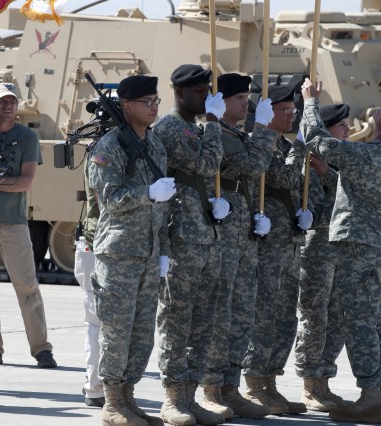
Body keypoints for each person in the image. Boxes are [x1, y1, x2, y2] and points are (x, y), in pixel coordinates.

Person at [301, 78, 381, 423]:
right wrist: (332, 175)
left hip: (360, 250)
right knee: (380, 321)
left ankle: (369, 396)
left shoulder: (366, 155)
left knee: (359, 322)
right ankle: (380, 396)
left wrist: (311, 102)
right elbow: (366, 189)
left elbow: (317, 140)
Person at [88, 75, 174, 426]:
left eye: (156, 100)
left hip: (149, 253)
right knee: (117, 332)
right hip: (120, 254)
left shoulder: (154, 145)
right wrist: (147, 193)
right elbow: (109, 199)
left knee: (141, 334)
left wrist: (164, 250)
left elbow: (163, 207)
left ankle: (128, 398)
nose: (154, 106)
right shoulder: (109, 146)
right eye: (146, 101)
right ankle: (111, 403)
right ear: (126, 106)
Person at [152, 64, 228, 426]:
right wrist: (213, 120)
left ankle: (190, 395)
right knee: (176, 320)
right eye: (199, 92)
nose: (205, 97)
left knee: (202, 323)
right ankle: (172, 399)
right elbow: (209, 162)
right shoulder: (170, 128)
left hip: (204, 237)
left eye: (207, 91)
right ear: (179, 92)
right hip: (181, 237)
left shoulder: (193, 128)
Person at [202, 73, 277, 419]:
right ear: (220, 101)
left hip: (242, 233)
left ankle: (231, 386)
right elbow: (252, 163)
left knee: (242, 312)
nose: (245, 103)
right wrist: (264, 129)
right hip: (224, 237)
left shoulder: (237, 134)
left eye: (246, 97)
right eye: (238, 98)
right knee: (221, 311)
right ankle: (212, 388)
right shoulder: (218, 133)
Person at [0, 82, 56, 369]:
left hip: (14, 224)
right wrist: (0, 182)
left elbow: (26, 182)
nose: (6, 106)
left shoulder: (27, 137)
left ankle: (41, 349)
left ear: (17, 105)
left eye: (11, 101)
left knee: (27, 286)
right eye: (1, 101)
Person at [242, 84, 311, 415]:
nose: (291, 114)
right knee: (264, 316)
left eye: (293, 109)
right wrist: (300, 148)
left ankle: (270, 380)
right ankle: (254, 383)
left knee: (285, 318)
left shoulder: (282, 144)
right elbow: (285, 176)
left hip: (290, 244)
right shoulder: (263, 146)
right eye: (285, 110)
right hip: (268, 247)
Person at [294, 104, 350, 412]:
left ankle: (324, 381)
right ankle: (309, 385)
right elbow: (311, 207)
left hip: (339, 247)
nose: (349, 131)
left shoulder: (339, 162)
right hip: (317, 248)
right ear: (326, 130)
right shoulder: (310, 164)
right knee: (315, 317)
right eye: (343, 125)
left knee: (337, 317)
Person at [74, 144, 104, 407]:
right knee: (97, 322)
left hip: (107, 246)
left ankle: (102, 387)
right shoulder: (105, 150)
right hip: (97, 246)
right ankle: (95, 387)